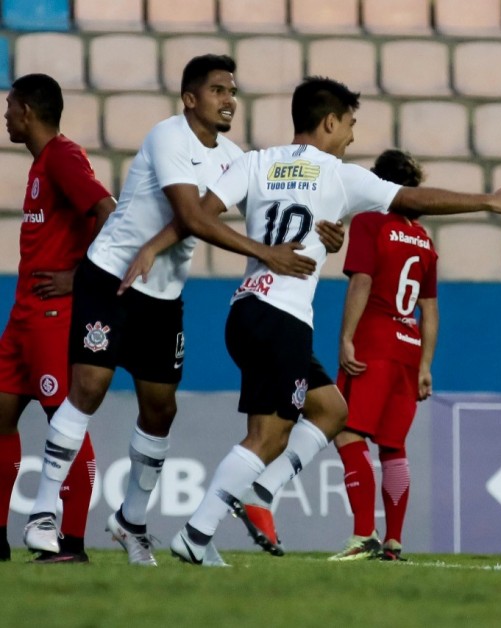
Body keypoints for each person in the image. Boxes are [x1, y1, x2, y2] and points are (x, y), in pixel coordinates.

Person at [154, 76, 501, 566]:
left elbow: (199, 216)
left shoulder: (251, 162)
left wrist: (263, 250)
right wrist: (485, 200)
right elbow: (413, 200)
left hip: (245, 310)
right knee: (268, 437)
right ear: (330, 122)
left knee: (333, 411)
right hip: (283, 316)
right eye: (350, 125)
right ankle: (197, 531)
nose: (352, 137)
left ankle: (258, 496)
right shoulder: (338, 174)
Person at [21, 55, 341, 566]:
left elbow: (279, 206)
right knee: (89, 387)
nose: (228, 99)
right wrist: (263, 253)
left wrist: (324, 228)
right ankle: (42, 513)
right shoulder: (167, 136)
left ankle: (131, 523)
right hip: (112, 277)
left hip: (163, 297)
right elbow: (192, 216)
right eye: (217, 90)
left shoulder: (236, 158)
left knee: (160, 410)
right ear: (190, 99)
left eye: (232, 91)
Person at [233, 149, 437, 561]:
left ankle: (364, 534)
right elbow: (429, 309)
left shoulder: (370, 221)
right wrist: (426, 364)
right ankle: (394, 541)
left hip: (375, 342)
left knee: (346, 430)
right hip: (409, 347)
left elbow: (361, 282)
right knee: (394, 446)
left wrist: (347, 338)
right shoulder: (424, 239)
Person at [0, 74, 116, 564]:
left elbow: (109, 210)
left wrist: (79, 277)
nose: (5, 116)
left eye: (9, 107)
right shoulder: (42, 164)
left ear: (27, 110)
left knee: (63, 426)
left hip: (53, 315)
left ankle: (71, 543)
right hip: (23, 317)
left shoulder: (64, 157)